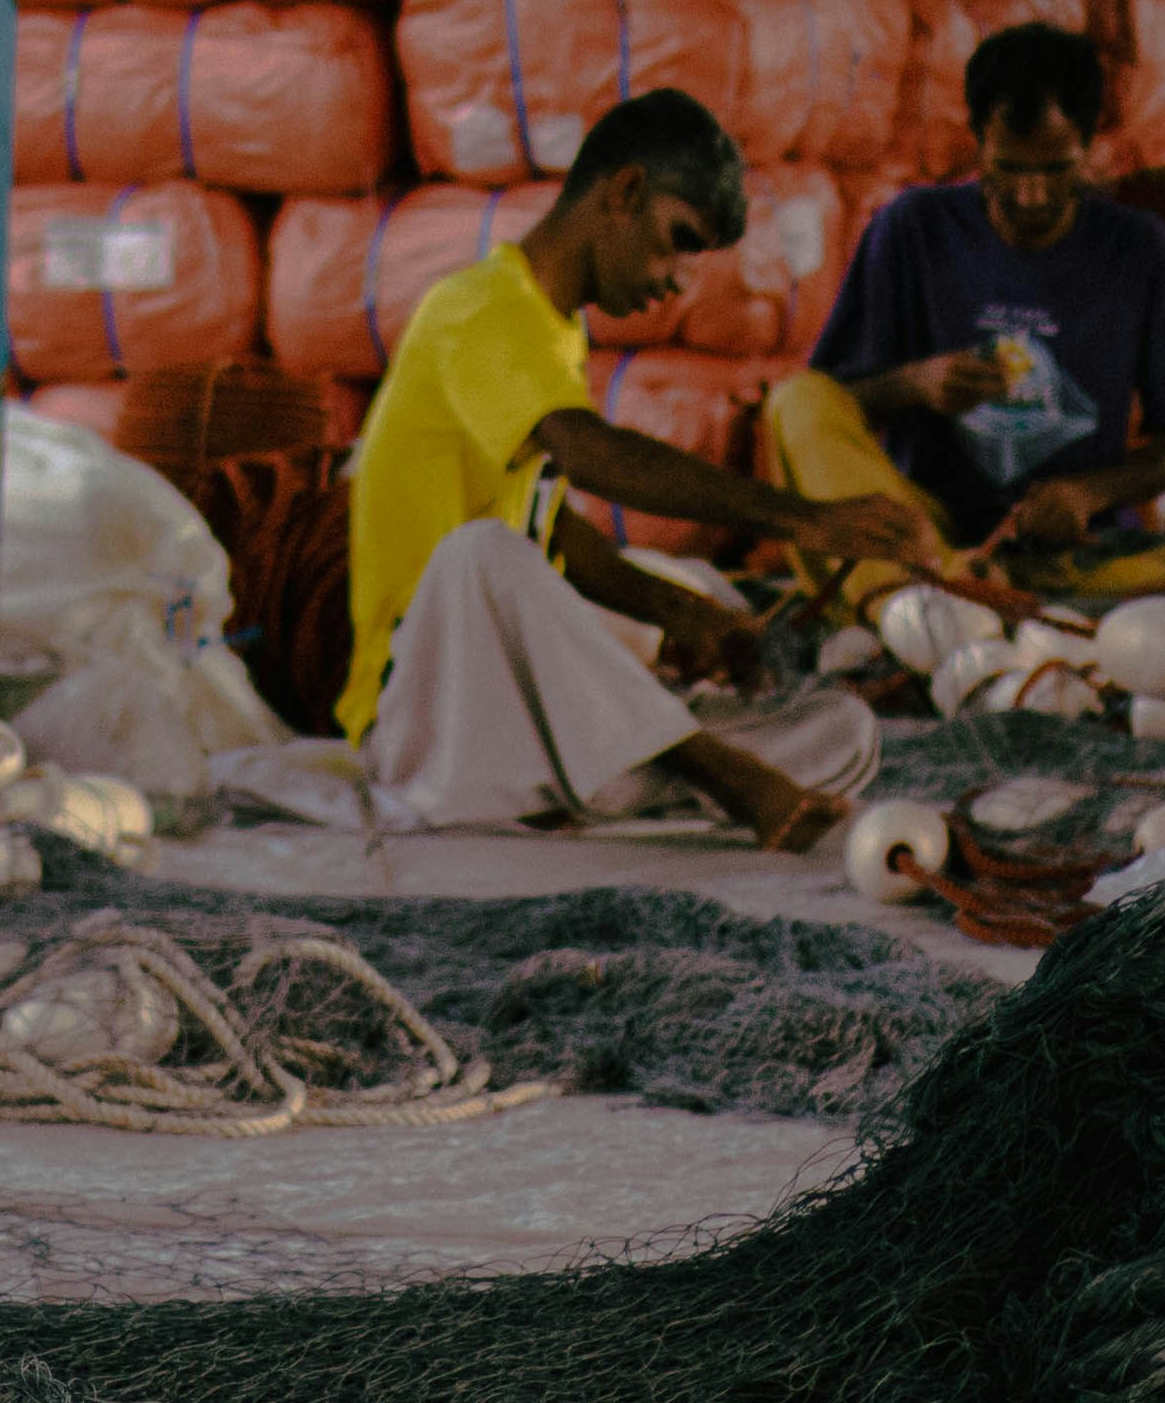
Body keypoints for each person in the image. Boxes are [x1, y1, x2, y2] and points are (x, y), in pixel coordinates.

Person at [342, 87, 934, 850]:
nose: (675, 281)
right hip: (425, 714)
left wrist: (676, 615)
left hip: (500, 733)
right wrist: (806, 518)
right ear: (623, 191)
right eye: (676, 240)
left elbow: (548, 529)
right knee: (479, 555)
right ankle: (716, 774)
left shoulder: (558, 334)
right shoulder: (478, 307)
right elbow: (587, 460)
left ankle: (616, 777)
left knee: (842, 731)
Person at [763, 19, 1165, 601]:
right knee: (794, 401)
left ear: (1089, 144)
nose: (1031, 196)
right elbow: (834, 404)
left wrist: (1087, 495)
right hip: (926, 530)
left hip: (1072, 549)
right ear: (978, 141)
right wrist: (916, 384)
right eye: (1008, 168)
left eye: (1056, 169)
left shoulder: (1141, 251)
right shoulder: (912, 230)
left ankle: (924, 606)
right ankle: (936, 591)